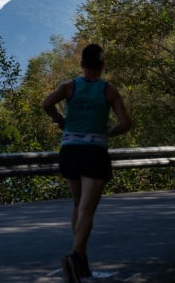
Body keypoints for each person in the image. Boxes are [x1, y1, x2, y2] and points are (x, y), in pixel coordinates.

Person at [41, 43, 131, 282]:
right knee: (87, 209)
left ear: (81, 64)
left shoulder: (69, 87)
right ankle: (75, 257)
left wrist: (60, 121)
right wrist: (107, 132)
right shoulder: (109, 91)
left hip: (70, 151)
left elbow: (46, 104)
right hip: (94, 152)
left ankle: (81, 259)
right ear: (102, 65)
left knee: (78, 204)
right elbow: (125, 124)